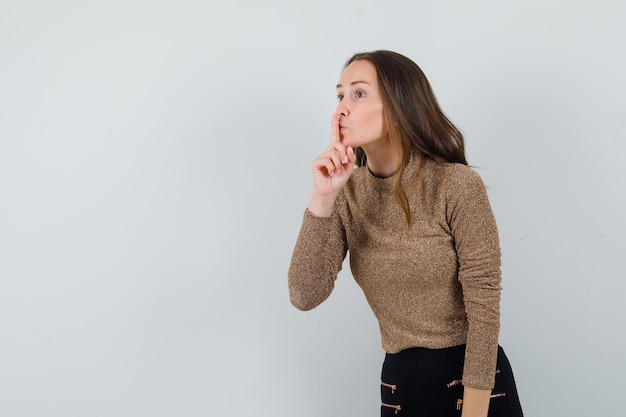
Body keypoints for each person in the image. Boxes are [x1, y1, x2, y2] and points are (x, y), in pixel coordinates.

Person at [288, 50, 523, 417]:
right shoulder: (348, 194)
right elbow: (304, 294)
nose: (342, 109)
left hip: (473, 385)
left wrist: (474, 409)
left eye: (359, 93)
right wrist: (323, 196)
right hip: (400, 386)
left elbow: (484, 303)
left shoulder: (455, 185)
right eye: (340, 95)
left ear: (398, 106)